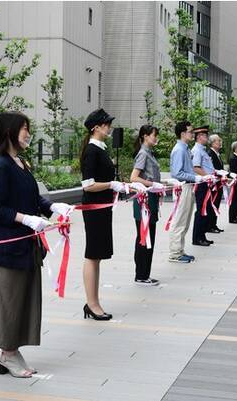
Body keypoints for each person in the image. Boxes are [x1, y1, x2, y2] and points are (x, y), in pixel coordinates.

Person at [0, 111, 71, 378]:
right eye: (24, 128)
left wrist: (52, 207)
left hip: (28, 246)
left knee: (24, 301)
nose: (28, 134)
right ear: (10, 131)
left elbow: (33, 199)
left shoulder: (21, 163)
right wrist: (25, 219)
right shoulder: (1, 166)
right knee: (10, 301)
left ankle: (11, 351)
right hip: (9, 246)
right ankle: (7, 353)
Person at [80, 108, 129, 320]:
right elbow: (88, 185)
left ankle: (94, 302)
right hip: (94, 208)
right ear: (96, 127)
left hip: (102, 208)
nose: (109, 127)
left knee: (97, 255)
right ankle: (92, 304)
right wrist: (112, 184)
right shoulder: (91, 150)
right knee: (92, 254)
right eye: (106, 124)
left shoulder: (100, 148)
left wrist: (119, 186)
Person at [168, 122, 210, 263]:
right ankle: (175, 253)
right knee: (180, 220)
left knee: (185, 220)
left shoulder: (185, 148)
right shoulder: (179, 150)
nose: (193, 134)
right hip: (183, 187)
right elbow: (177, 173)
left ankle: (179, 250)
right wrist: (195, 177)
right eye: (191, 132)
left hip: (189, 186)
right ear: (182, 133)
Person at [129, 125, 163, 286]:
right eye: (153, 135)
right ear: (144, 136)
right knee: (144, 237)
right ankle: (141, 275)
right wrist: (152, 183)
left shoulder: (149, 153)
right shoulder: (143, 154)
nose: (155, 138)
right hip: (144, 201)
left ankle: (144, 273)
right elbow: (134, 178)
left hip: (151, 199)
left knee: (149, 236)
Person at [191, 126, 215, 246]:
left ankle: (202, 235)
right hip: (202, 184)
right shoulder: (197, 150)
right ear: (199, 137)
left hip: (207, 183)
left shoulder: (202, 150)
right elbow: (196, 167)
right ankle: (197, 238)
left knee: (207, 210)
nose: (207, 138)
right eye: (205, 136)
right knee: (201, 210)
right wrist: (208, 176)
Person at [207, 134, 225, 234]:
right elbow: (212, 169)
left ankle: (214, 224)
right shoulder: (210, 153)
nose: (220, 142)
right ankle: (210, 225)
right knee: (213, 204)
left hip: (219, 183)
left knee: (216, 204)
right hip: (214, 184)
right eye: (218, 140)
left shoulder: (217, 154)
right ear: (213, 143)